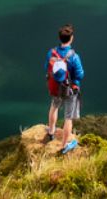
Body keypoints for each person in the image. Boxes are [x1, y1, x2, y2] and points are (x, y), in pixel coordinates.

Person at [43, 24, 85, 155]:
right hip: (69, 90)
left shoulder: (51, 52)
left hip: (55, 87)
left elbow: (46, 67)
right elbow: (80, 75)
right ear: (71, 38)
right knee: (68, 118)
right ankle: (64, 146)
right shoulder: (74, 56)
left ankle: (51, 132)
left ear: (60, 38)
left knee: (54, 107)